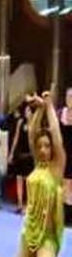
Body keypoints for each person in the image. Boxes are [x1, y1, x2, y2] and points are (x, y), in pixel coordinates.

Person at [16, 92, 65, 257]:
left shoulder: (57, 167)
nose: (45, 149)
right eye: (41, 146)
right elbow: (32, 132)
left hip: (47, 235)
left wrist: (48, 107)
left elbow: (55, 135)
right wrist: (36, 111)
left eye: (48, 146)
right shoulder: (37, 163)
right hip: (29, 230)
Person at [9, 102, 35, 214]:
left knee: (29, 181)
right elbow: (16, 138)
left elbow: (32, 142)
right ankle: (20, 204)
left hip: (30, 154)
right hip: (20, 153)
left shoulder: (35, 124)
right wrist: (11, 153)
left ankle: (29, 205)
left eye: (29, 111)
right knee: (19, 178)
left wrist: (30, 127)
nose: (26, 113)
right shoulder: (20, 122)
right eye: (26, 110)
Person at [58, 88, 72, 225]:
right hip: (63, 153)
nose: (70, 99)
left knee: (70, 184)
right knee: (63, 184)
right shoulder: (60, 113)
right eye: (68, 96)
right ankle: (64, 215)